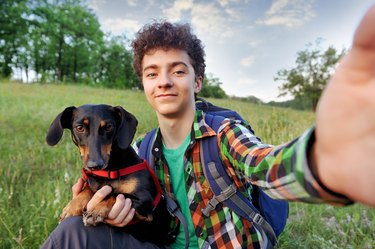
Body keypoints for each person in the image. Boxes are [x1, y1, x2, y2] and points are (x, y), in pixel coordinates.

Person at [41, 4, 375, 249]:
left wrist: (323, 162)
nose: (165, 82)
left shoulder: (225, 132)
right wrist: (113, 211)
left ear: (197, 81)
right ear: (143, 83)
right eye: (152, 73)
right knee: (70, 232)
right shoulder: (142, 148)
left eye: (179, 70)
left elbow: (264, 165)